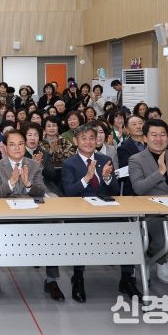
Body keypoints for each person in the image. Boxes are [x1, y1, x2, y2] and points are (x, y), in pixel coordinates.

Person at [61, 123, 140, 301]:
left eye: (92, 138)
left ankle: (127, 278)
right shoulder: (69, 163)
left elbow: (114, 190)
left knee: (128, 229)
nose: (88, 142)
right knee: (78, 233)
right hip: (81, 211)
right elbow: (69, 192)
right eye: (83, 138)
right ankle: (78, 277)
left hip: (105, 208)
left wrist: (106, 177)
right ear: (75, 141)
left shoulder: (105, 159)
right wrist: (87, 178)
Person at [129, 119, 168, 285]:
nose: (158, 139)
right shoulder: (136, 159)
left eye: (162, 135)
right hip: (153, 212)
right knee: (162, 236)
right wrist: (159, 172)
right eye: (154, 135)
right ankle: (161, 260)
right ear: (145, 138)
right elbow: (139, 188)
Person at [0, 128, 49, 301]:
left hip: (32, 214)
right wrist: (11, 182)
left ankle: (52, 280)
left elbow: (41, 191)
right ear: (5, 148)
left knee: (52, 231)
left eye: (21, 144)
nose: (17, 148)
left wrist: (29, 185)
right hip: (5, 215)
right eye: (12, 144)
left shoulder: (34, 165)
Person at [117, 115, 146, 195]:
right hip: (134, 188)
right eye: (134, 124)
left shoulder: (153, 143)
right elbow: (130, 170)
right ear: (127, 129)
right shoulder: (123, 148)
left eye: (140, 123)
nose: (138, 126)